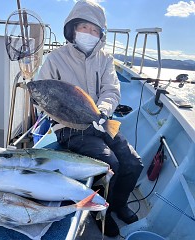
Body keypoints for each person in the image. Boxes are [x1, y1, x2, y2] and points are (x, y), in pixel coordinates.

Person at [38, 0, 143, 237]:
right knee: (110, 164)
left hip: (99, 120)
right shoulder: (55, 58)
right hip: (70, 127)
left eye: (95, 30)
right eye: (84, 27)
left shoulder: (105, 58)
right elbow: (45, 97)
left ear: (101, 34)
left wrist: (104, 110)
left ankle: (119, 205)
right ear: (73, 28)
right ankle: (99, 211)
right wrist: (64, 115)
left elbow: (112, 89)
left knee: (133, 163)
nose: (89, 33)